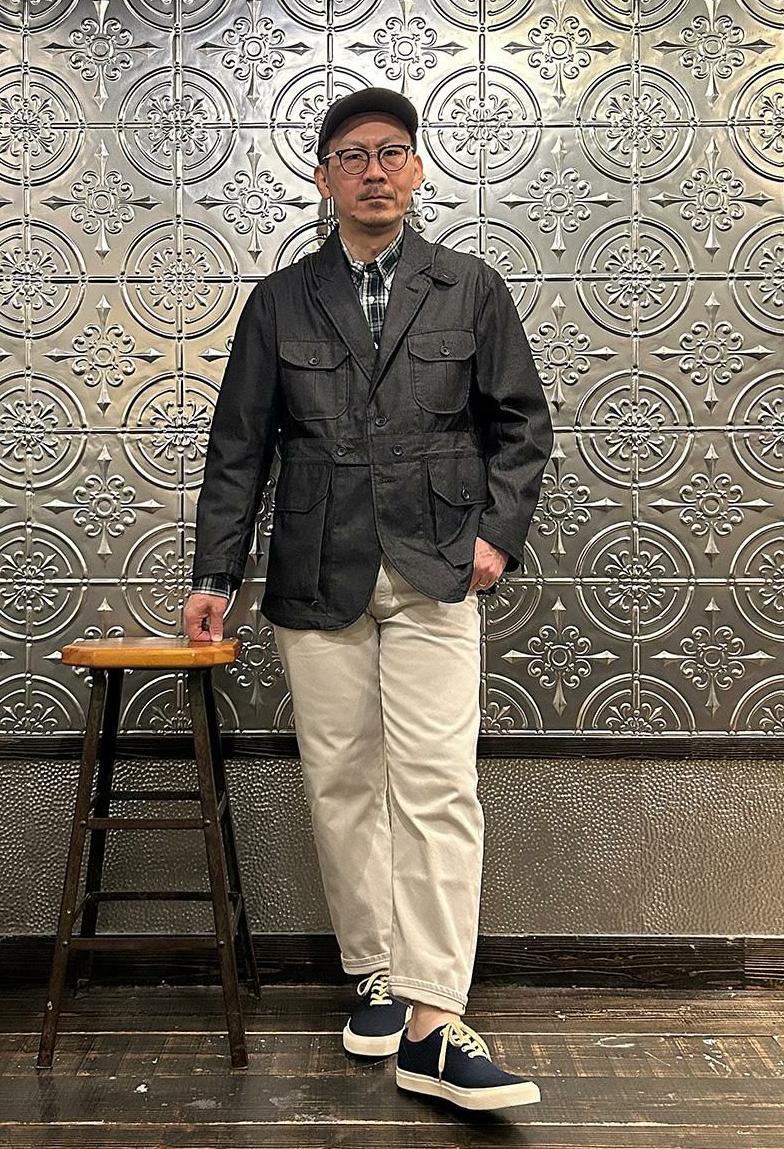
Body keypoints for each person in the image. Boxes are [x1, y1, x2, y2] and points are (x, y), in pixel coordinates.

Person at [183, 85, 555, 1111]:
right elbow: (238, 448)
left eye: (392, 152)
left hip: (436, 567)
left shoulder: (470, 287)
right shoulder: (280, 300)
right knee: (342, 780)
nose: (375, 170)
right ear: (323, 178)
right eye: (352, 155)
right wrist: (215, 576)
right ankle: (377, 973)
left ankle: (435, 1017)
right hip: (315, 569)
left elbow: (521, 424)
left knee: (437, 784)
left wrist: (497, 537)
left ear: (419, 170)